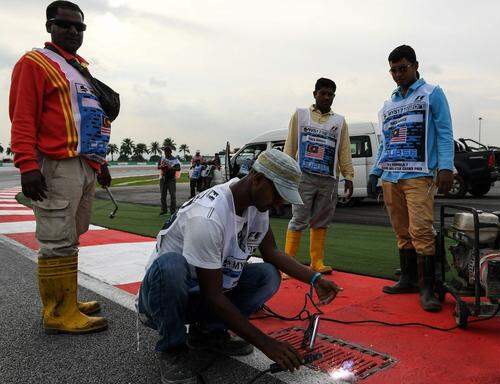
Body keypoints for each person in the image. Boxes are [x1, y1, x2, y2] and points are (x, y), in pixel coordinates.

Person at [137, 149, 341, 383]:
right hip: (160, 301)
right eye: (277, 194)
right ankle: (172, 348)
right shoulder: (209, 216)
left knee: (268, 275)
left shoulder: (256, 205)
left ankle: (207, 332)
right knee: (171, 265)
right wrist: (267, 343)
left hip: (200, 293)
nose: (280, 203)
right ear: (257, 179)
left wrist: (315, 279)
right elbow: (213, 296)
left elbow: (271, 252)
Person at [9, 0, 116, 334]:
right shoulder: (36, 62)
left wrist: (100, 163)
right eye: (64, 24)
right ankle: (58, 312)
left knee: (72, 234)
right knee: (57, 237)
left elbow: (89, 120)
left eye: (78, 27)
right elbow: (23, 117)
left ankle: (67, 299)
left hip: (85, 163)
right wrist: (27, 165)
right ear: (49, 26)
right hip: (56, 163)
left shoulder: (79, 67)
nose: (72, 31)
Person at [368, 45, 454, 312]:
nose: (397, 75)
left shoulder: (432, 94)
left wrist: (446, 167)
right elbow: (385, 140)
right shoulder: (389, 103)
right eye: (393, 70)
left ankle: (427, 287)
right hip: (391, 175)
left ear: (416, 65)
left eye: (402, 69)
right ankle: (407, 278)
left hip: (419, 175)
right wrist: (375, 172)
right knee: (402, 232)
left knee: (421, 231)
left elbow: (444, 132)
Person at [283, 78, 354, 275]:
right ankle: (288, 264)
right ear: (314, 94)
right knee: (299, 218)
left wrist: (348, 175)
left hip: (328, 179)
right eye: (323, 93)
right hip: (303, 176)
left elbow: (344, 150)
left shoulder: (339, 121)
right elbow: (290, 145)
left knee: (322, 220)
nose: (326, 97)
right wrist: (286, 171)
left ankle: (317, 262)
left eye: (330, 94)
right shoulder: (301, 115)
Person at [159, 146, 181, 215]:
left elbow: (178, 168)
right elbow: (158, 166)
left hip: (171, 179)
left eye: (167, 151)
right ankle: (164, 210)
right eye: (165, 151)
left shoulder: (175, 159)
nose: (166, 153)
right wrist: (162, 167)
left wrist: (170, 168)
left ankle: (173, 211)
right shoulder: (162, 158)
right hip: (163, 178)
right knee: (163, 195)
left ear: (170, 152)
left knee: (172, 195)